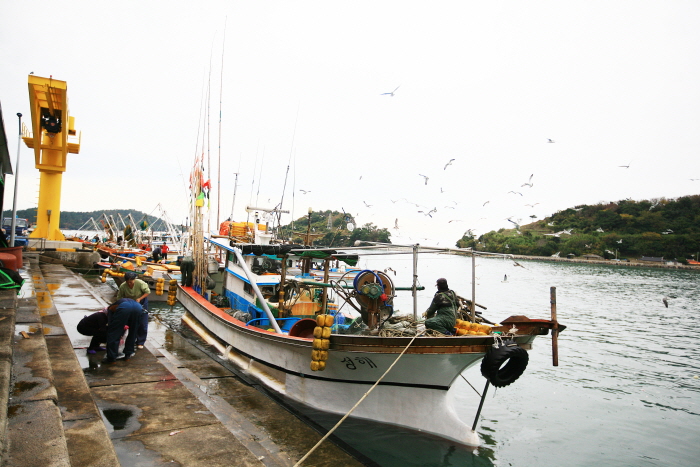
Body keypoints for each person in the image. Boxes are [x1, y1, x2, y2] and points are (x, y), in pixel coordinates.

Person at [103, 298, 143, 363]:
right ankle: (128, 355)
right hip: (138, 307)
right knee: (133, 332)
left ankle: (111, 358)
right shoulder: (125, 301)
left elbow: (112, 326)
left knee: (113, 333)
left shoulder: (110, 308)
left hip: (125, 308)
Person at [117, 271, 150, 349]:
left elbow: (147, 292)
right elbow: (119, 297)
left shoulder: (140, 283)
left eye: (131, 282)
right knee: (131, 322)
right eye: (128, 282)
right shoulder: (123, 286)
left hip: (141, 302)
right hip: (129, 303)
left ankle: (140, 341)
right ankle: (130, 339)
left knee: (142, 322)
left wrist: (139, 298)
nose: (129, 284)